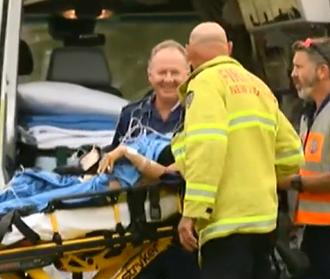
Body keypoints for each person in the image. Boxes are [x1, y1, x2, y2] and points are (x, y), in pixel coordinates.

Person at [173, 22, 304, 279]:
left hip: (226, 224)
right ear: (229, 49)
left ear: (188, 53)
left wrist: (193, 212)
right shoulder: (258, 86)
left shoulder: (205, 84)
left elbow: (206, 147)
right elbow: (291, 153)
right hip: (264, 221)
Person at [100, 39, 199, 279]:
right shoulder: (131, 115)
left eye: (175, 72)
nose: (168, 79)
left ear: (189, 74)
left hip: (184, 228)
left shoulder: (200, 115)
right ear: (149, 76)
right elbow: (115, 168)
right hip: (139, 232)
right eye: (161, 72)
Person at [278, 37, 330, 279]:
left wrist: (289, 182)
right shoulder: (307, 115)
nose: (293, 74)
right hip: (310, 232)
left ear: (322, 71)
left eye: (299, 67)